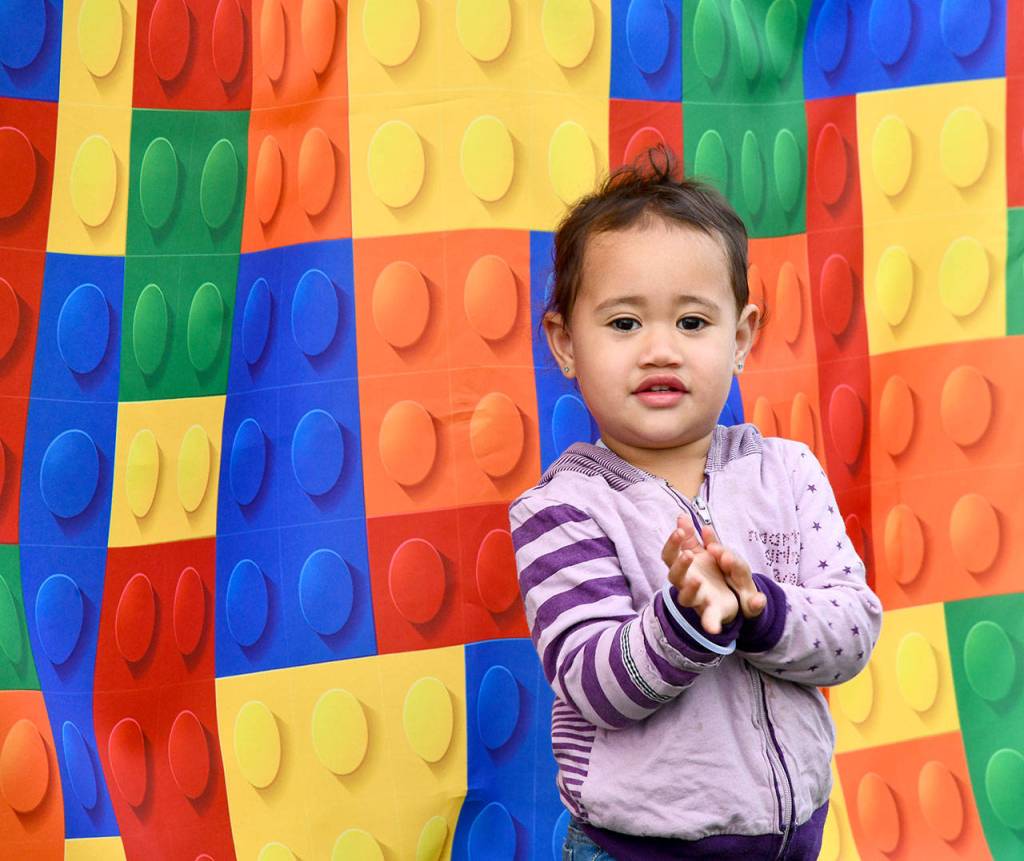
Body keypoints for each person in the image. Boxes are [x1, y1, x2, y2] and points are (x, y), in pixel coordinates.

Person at [508, 147, 883, 860]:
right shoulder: (564, 509)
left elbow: (852, 630)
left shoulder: (789, 471)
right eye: (623, 324)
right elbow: (595, 683)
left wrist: (757, 608)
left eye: (691, 323)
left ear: (740, 338)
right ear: (564, 342)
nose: (659, 350)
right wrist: (685, 617)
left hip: (791, 840)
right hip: (635, 849)